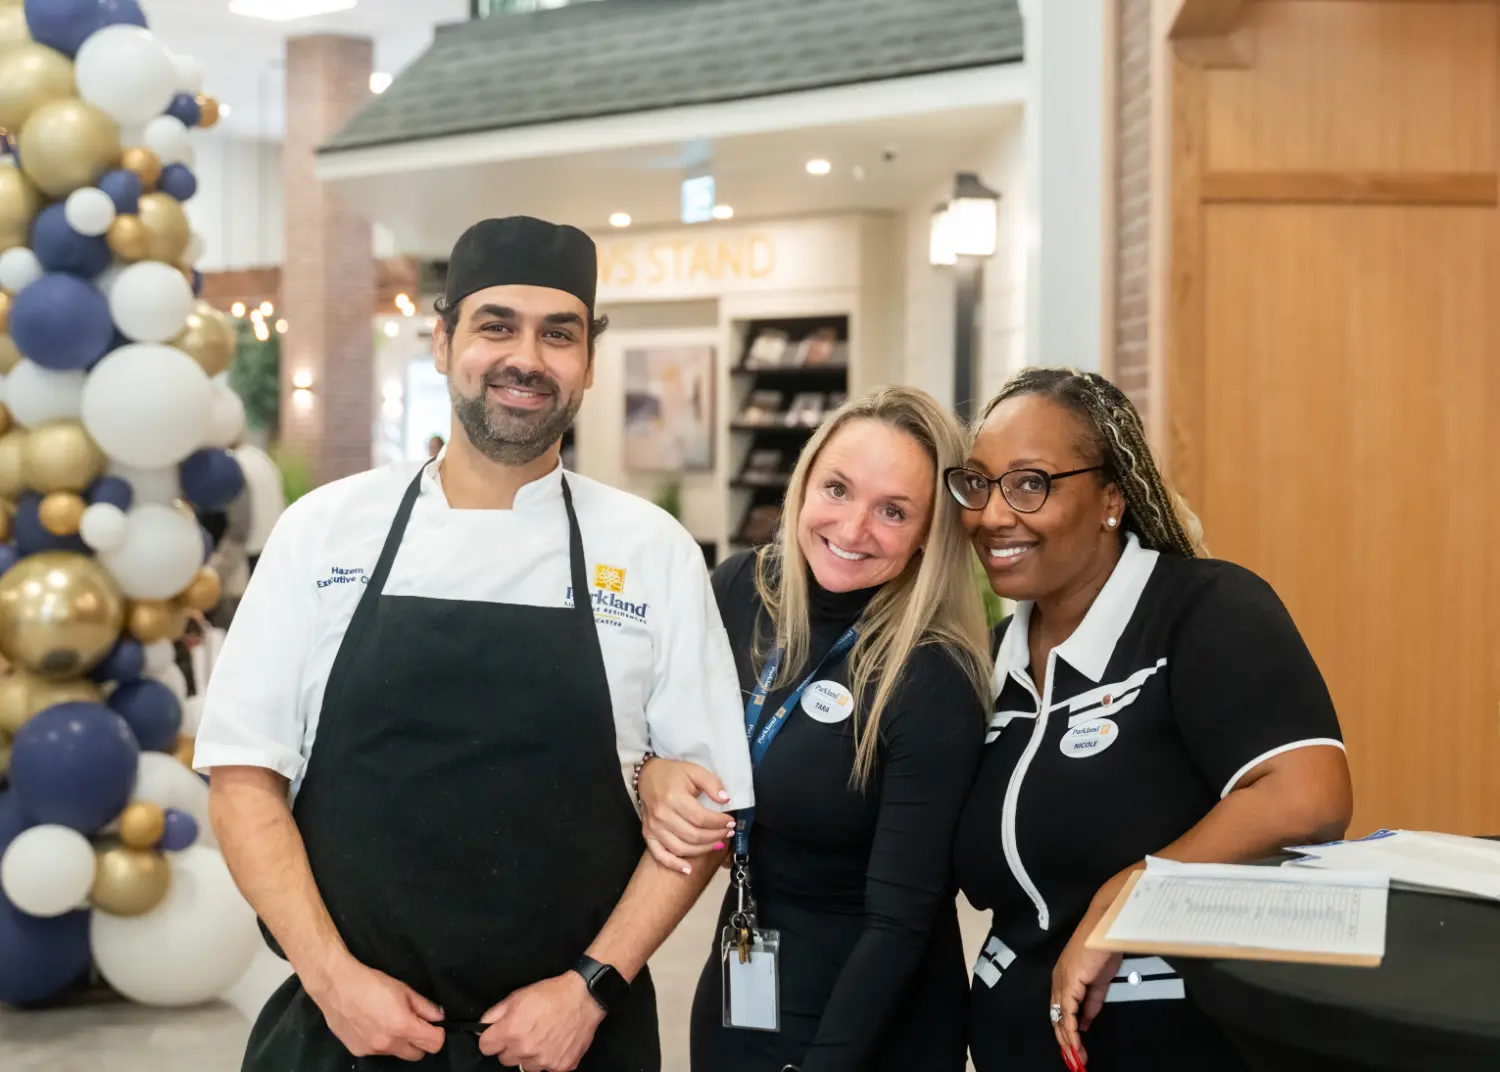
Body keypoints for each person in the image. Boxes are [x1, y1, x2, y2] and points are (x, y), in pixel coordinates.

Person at [195, 215, 754, 1072]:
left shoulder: (653, 554)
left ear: (589, 364)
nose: (526, 357)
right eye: (496, 325)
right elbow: (242, 778)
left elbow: (705, 819)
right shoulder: (324, 533)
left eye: (558, 333)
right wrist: (333, 978)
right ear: (443, 341)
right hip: (342, 1033)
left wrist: (592, 986)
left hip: (570, 1044)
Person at [948, 368, 1354, 1072]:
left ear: (1111, 499)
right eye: (978, 484)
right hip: (1013, 1041)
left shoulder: (1202, 611)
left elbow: (1307, 795)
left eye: (1030, 483)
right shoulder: (987, 663)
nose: (991, 515)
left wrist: (1124, 896)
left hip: (1180, 1041)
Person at [634, 387, 992, 1071]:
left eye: (894, 511)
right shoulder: (740, 590)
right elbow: (650, 732)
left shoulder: (929, 676)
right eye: (838, 488)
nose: (853, 528)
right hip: (746, 966)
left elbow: (900, 924)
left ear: (928, 534)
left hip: (874, 1013)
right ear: (803, 482)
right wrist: (653, 772)